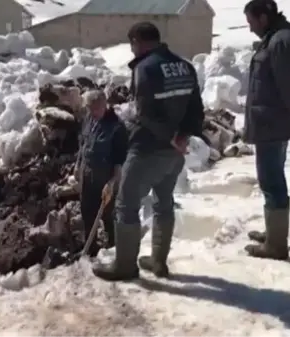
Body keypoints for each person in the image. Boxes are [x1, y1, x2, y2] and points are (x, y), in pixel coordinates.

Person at [92, 22, 204, 281]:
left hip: (147, 149)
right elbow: (196, 109)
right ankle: (158, 261)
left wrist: (170, 136)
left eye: (132, 45)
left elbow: (145, 114)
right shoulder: (185, 66)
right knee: (164, 202)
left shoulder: (145, 68)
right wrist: (182, 137)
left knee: (126, 205)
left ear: (136, 42)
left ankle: (125, 266)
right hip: (175, 153)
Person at [242, 0, 290, 260]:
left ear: (263, 17)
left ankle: (276, 246)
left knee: (271, 181)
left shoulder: (281, 41)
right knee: (272, 179)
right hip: (272, 121)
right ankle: (273, 234)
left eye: (252, 22)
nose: (251, 28)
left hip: (272, 123)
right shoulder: (280, 37)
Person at [76, 90, 128, 257]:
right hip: (87, 174)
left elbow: (120, 160)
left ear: (105, 105)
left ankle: (113, 250)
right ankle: (90, 248)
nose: (93, 113)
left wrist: (112, 183)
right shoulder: (89, 119)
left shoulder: (117, 127)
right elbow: (83, 144)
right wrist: (78, 166)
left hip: (105, 178)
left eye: (96, 109)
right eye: (90, 109)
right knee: (86, 211)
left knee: (108, 216)